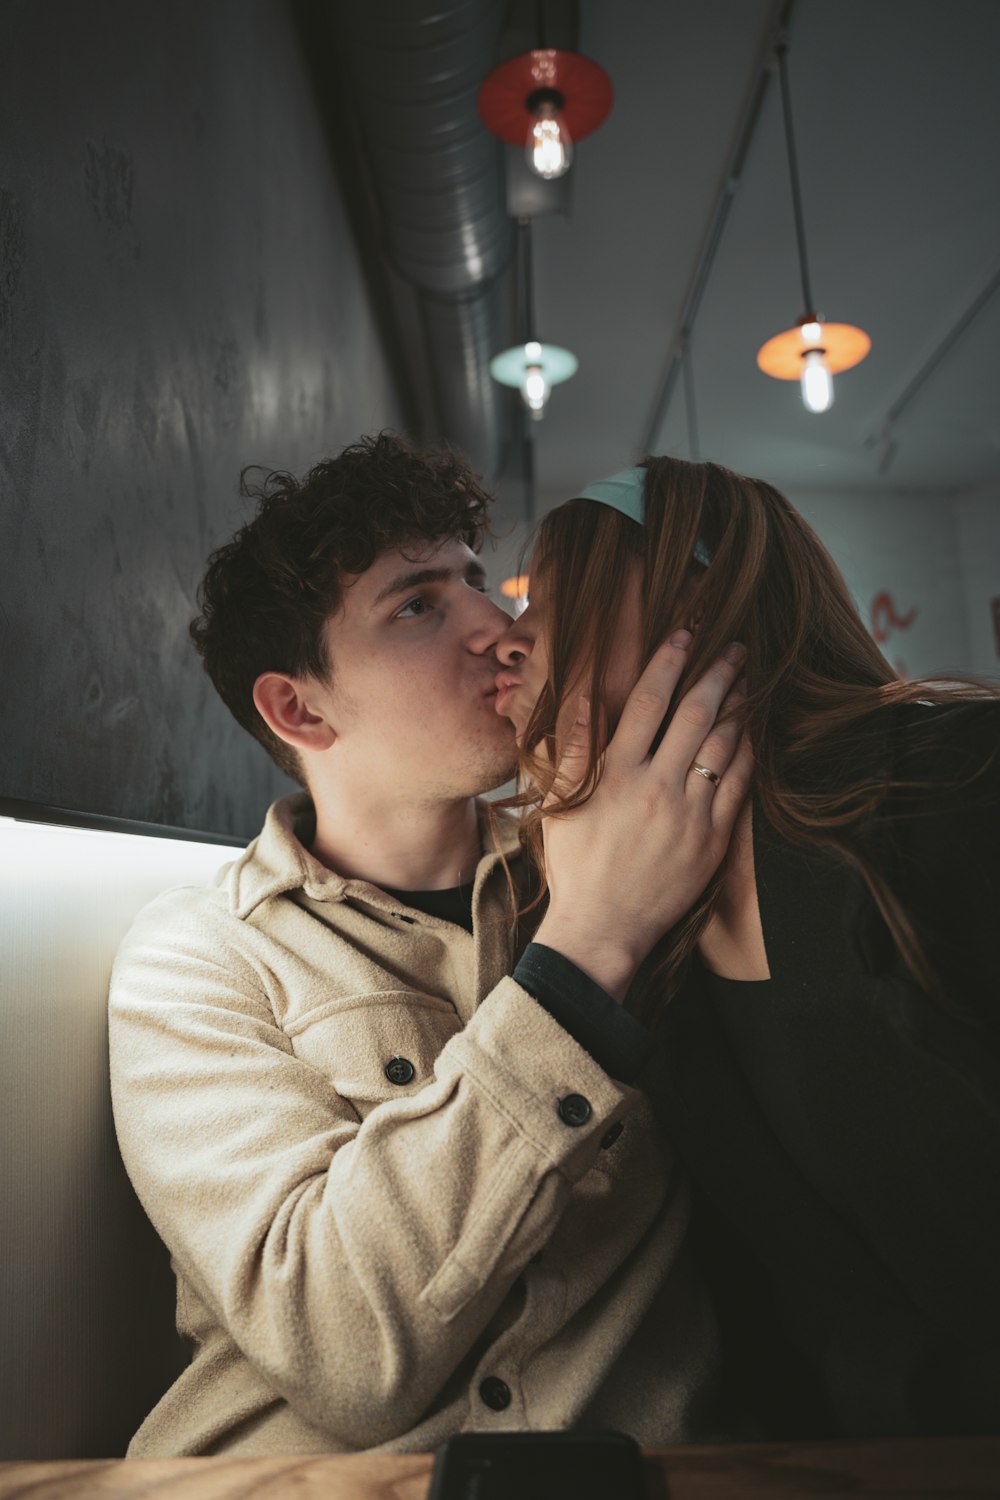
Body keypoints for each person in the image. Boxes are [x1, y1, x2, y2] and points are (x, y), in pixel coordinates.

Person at [107, 433, 753, 1457]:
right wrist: (585, 955)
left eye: (477, 584)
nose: (499, 628)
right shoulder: (201, 955)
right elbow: (340, 1347)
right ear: (298, 706)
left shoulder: (632, 857)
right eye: (417, 605)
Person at [493, 456, 1000, 1440]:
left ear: (703, 600)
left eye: (555, 598)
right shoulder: (638, 938)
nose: (509, 640)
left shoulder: (961, 784)